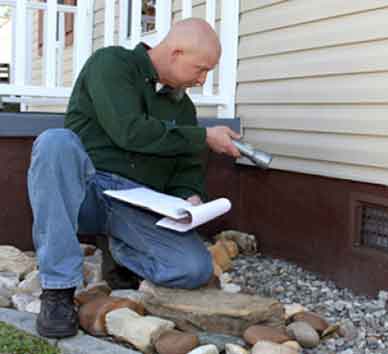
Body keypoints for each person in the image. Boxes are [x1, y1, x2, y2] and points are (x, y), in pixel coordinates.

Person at [27, 18, 240, 338]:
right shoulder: (111, 64)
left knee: (193, 268)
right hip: (87, 191)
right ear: (175, 52)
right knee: (55, 142)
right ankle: (58, 291)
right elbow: (129, 131)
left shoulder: (183, 108)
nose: (202, 79)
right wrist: (203, 136)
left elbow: (187, 168)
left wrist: (189, 196)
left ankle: (121, 256)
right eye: (200, 69)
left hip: (135, 203)